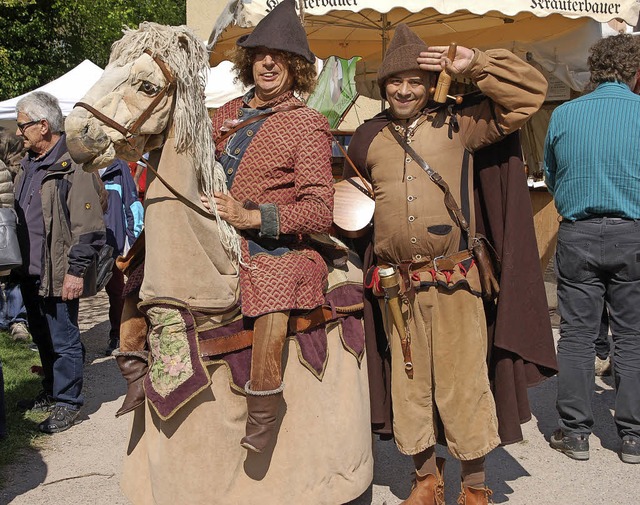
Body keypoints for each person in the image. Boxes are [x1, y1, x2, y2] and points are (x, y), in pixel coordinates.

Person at [344, 24, 549, 504]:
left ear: (429, 81)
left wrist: (475, 65)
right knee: (410, 387)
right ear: (383, 86)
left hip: (457, 280)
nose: (405, 88)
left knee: (463, 385)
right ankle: (425, 481)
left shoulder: (462, 123)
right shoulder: (366, 140)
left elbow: (528, 96)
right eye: (395, 81)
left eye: (415, 79)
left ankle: (475, 486)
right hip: (397, 287)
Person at [206, 0, 334, 453]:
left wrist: (254, 216)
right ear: (248, 61)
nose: (267, 62)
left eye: (279, 56)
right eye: (260, 53)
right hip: (212, 236)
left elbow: (320, 210)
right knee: (142, 262)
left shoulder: (308, 125)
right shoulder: (221, 116)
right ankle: (140, 363)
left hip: (272, 244)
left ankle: (264, 405)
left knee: (276, 280)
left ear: (296, 68)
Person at [544, 33, 640, 465]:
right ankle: (634, 436)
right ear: (636, 73)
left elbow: (551, 175)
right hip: (633, 231)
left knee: (578, 336)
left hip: (578, 232)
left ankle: (576, 432)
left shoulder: (564, 114)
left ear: (595, 71)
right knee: (634, 337)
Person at [13, 91, 107, 433]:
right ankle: (51, 390)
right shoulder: (28, 164)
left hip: (57, 271)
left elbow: (89, 227)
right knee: (42, 336)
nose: (19, 132)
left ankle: (69, 403)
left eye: (23, 126)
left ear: (43, 126)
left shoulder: (73, 164)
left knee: (64, 340)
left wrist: (76, 271)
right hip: (30, 272)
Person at [99, 159, 143, 355]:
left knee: (117, 291)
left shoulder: (118, 167)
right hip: (82, 240)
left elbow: (132, 204)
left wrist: (135, 244)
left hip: (113, 242)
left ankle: (118, 334)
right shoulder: (76, 163)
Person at [0, 130, 30, 342]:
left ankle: (17, 321)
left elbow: (5, 200)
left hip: (5, 231)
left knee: (13, 277)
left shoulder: (8, 139)